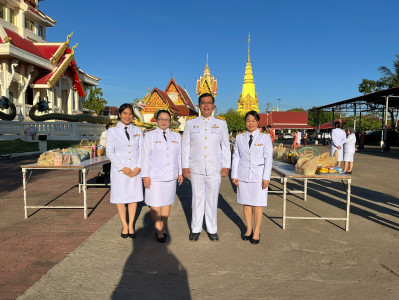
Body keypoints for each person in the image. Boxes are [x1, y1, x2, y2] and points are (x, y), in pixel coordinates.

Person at [182, 93, 231, 242]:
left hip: (214, 168)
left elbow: (226, 147)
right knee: (197, 199)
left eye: (209, 103)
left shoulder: (221, 124)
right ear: (198, 105)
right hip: (196, 167)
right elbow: (185, 147)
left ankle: (211, 228)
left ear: (214, 105)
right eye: (203, 103)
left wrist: (226, 165)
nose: (206, 105)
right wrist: (185, 166)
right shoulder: (191, 123)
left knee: (212, 199)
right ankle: (195, 228)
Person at [142, 110, 183, 243]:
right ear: (156, 120)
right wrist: (145, 176)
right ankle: (159, 229)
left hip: (171, 175)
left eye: (167, 119)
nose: (164, 121)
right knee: (154, 204)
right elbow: (145, 157)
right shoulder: (149, 136)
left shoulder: (176, 136)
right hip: (154, 176)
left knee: (167, 203)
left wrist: (180, 172)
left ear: (170, 121)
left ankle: (162, 227)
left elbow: (180, 156)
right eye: (161, 119)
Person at [231, 111, 273, 244]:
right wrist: (234, 175)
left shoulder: (264, 138)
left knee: (258, 204)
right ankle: (249, 228)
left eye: (253, 120)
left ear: (258, 122)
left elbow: (268, 158)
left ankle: (257, 230)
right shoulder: (239, 137)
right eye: (248, 120)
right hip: (243, 175)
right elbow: (236, 156)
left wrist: (266, 177)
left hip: (259, 176)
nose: (251, 123)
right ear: (245, 122)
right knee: (246, 203)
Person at [106, 103, 143, 239]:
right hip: (120, 171)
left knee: (134, 198)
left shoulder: (138, 130)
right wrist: (122, 167)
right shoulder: (112, 131)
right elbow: (109, 152)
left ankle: (131, 224)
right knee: (120, 198)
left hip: (135, 170)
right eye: (125, 113)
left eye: (130, 113)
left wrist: (138, 167)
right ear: (120, 115)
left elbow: (141, 150)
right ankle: (124, 224)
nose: (128, 116)